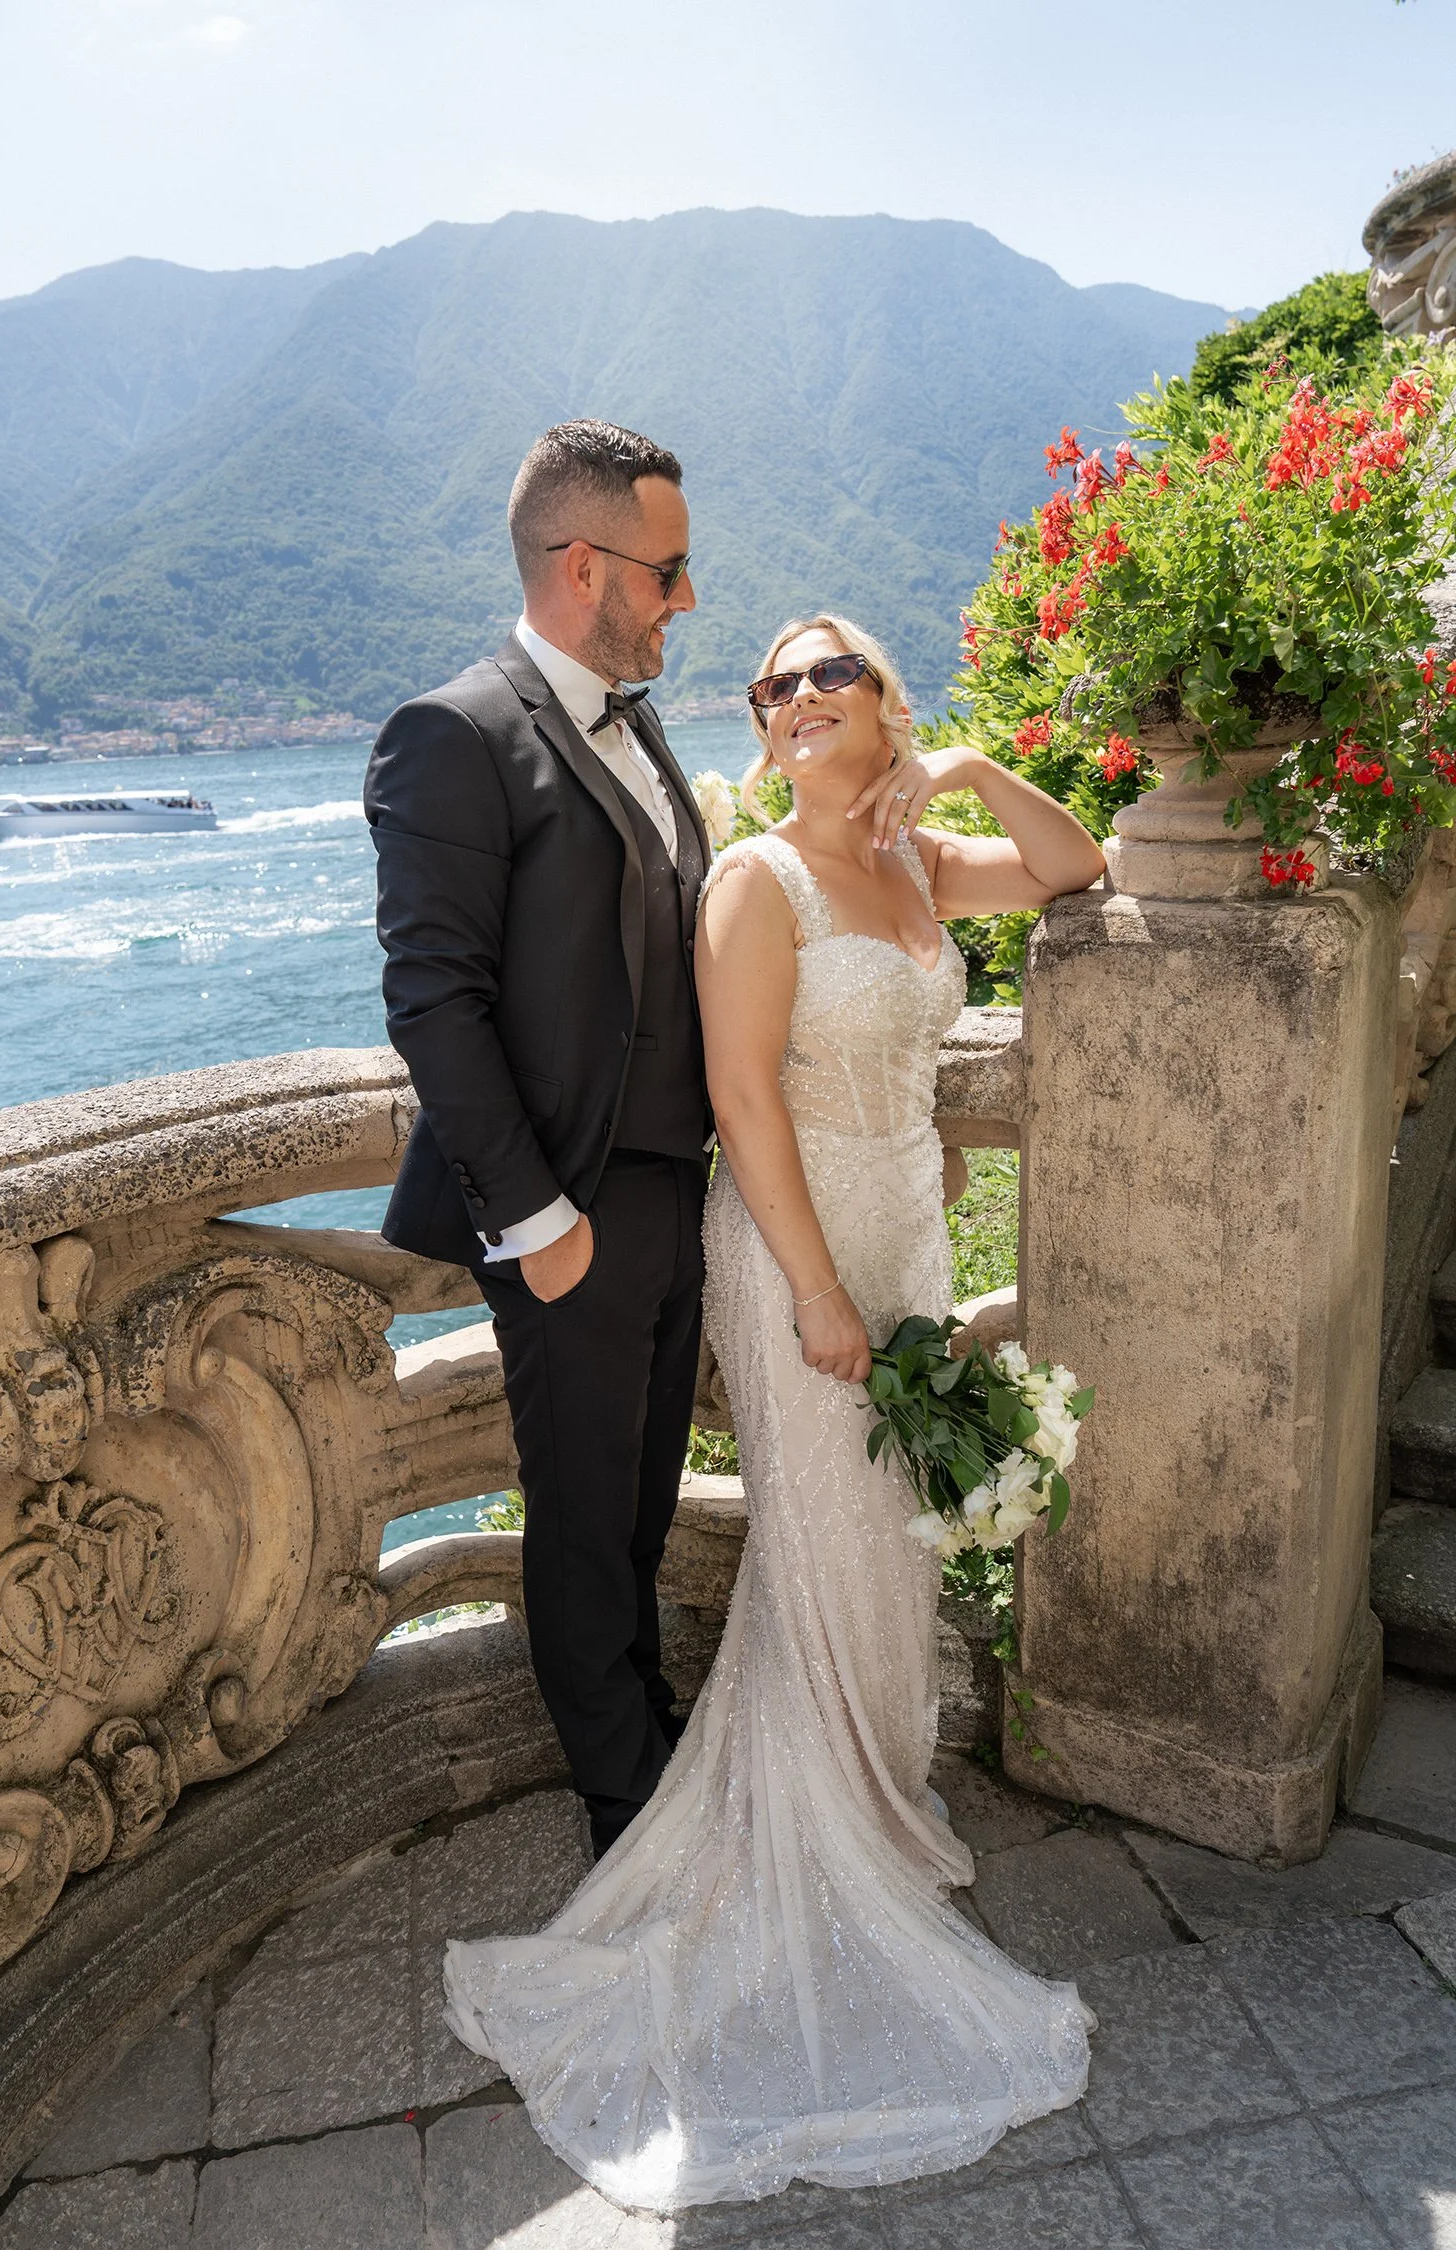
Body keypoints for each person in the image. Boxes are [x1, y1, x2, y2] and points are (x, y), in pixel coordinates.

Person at [442, 612, 1108, 2211]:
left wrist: (964, 763)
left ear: (885, 700)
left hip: (914, 1238)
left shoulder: (927, 858)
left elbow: (1076, 868)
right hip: (800, 1245)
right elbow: (742, 1100)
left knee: (893, 1538)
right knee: (831, 1538)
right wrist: (812, 1291)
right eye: (773, 686)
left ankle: (880, 1791)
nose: (798, 700)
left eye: (832, 676)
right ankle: (834, 1822)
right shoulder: (759, 880)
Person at [365, 419, 710, 1863]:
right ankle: (629, 1816)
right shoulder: (453, 734)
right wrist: (539, 1222)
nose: (686, 600)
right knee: (574, 1526)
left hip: (674, 1197)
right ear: (585, 564)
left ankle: (651, 1725)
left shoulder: (640, 726)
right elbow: (433, 1000)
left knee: (636, 1507)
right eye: (670, 570)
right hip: (566, 1215)